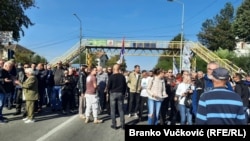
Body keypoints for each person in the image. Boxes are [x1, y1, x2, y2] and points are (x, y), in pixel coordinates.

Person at [107, 64, 127, 129]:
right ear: (119, 69)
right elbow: (125, 86)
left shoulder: (111, 77)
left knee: (113, 110)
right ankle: (123, 124)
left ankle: (114, 125)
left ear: (114, 69)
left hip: (113, 94)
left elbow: (108, 86)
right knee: (121, 110)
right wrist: (124, 93)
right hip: (120, 93)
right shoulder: (122, 76)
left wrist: (108, 92)